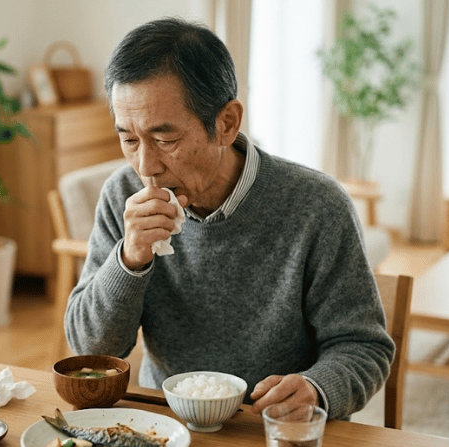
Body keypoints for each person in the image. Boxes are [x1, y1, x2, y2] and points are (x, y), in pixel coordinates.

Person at [63, 17, 394, 420]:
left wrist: (317, 389)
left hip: (270, 428)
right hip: (165, 423)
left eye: (165, 140)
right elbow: (91, 352)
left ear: (227, 123)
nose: (145, 166)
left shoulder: (317, 205)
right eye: (129, 139)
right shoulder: (122, 194)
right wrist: (129, 260)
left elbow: (364, 346)